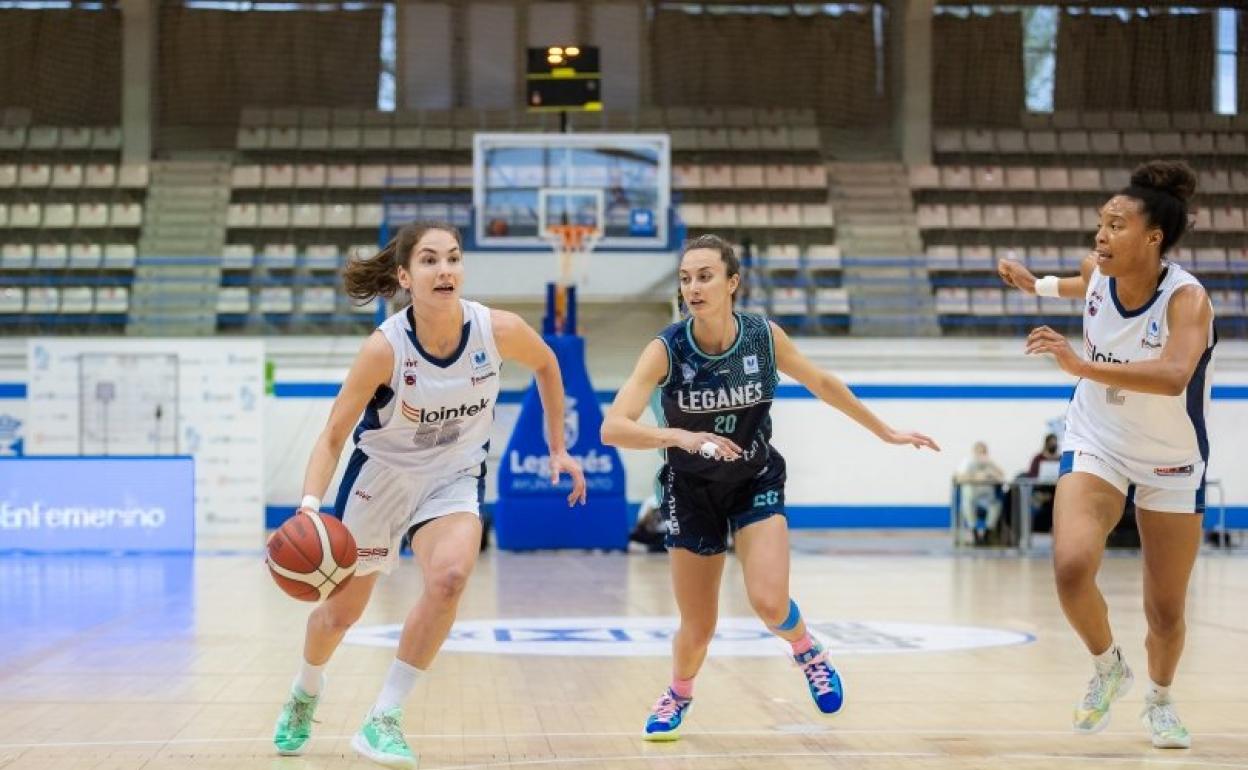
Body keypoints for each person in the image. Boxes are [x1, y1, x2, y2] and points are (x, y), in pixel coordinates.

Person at [272, 222, 587, 767]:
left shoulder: (498, 330)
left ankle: (384, 717)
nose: (445, 270)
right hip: (382, 479)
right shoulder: (384, 349)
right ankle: (305, 691)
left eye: (453, 259)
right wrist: (309, 508)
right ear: (404, 276)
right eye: (429, 261)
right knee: (340, 615)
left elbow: (547, 364)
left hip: (454, 476)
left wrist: (557, 447)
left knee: (449, 578)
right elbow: (331, 436)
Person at [601, 234, 940, 740]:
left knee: (769, 602)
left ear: (732, 282)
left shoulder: (763, 336)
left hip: (755, 478)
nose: (693, 287)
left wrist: (885, 431)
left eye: (705, 276)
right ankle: (679, 693)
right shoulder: (666, 349)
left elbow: (823, 383)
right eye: (686, 278)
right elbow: (613, 427)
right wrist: (680, 435)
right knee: (698, 628)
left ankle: (808, 651)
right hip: (690, 492)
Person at [998, 161, 1213, 749]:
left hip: (1172, 456)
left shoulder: (1187, 300)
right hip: (1097, 438)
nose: (1100, 235)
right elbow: (1079, 284)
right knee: (1070, 568)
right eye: (1100, 222)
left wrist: (1079, 365)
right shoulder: (1098, 269)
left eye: (1116, 225)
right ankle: (1107, 666)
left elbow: (1173, 377)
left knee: (1165, 612)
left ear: (1153, 238)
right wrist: (1033, 284)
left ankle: (1160, 700)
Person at [954, 441, 1006, 545]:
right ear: (974, 452)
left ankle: (988, 533)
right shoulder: (967, 462)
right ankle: (975, 533)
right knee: (967, 501)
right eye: (979, 452)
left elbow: (1002, 477)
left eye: (984, 452)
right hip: (972, 498)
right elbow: (957, 478)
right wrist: (974, 477)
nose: (981, 455)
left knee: (996, 504)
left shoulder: (990, 463)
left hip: (988, 499)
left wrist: (991, 468)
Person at [1023, 433, 1062, 533]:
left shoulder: (1061, 458)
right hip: (1039, 491)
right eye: (1051, 442)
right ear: (1046, 443)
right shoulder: (1038, 458)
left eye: (1055, 442)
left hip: (1056, 492)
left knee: (1055, 502)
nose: (1053, 444)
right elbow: (1031, 475)